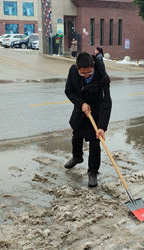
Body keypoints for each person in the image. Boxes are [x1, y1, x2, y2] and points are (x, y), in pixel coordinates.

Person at [64, 52, 112, 187]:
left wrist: (102, 127)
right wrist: (81, 104)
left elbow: (105, 103)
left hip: (96, 112)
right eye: (83, 73)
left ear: (94, 65)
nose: (86, 76)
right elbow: (69, 90)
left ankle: (93, 172)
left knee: (94, 142)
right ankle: (77, 156)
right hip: (81, 108)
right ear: (77, 67)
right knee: (77, 133)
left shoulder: (102, 77)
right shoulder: (73, 71)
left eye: (89, 73)